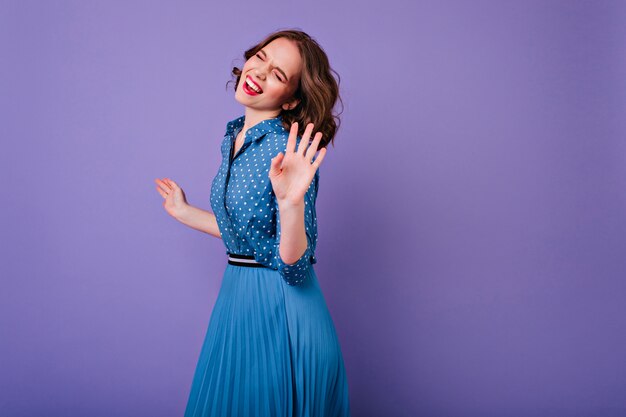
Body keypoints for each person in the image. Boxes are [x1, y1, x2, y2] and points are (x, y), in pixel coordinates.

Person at [154, 29, 350, 416]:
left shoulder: (286, 151)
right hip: (238, 299)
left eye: (278, 74)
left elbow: (292, 266)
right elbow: (248, 236)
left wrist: (291, 203)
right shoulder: (234, 136)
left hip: (281, 310)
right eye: (261, 57)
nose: (259, 71)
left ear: (292, 98)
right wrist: (184, 212)